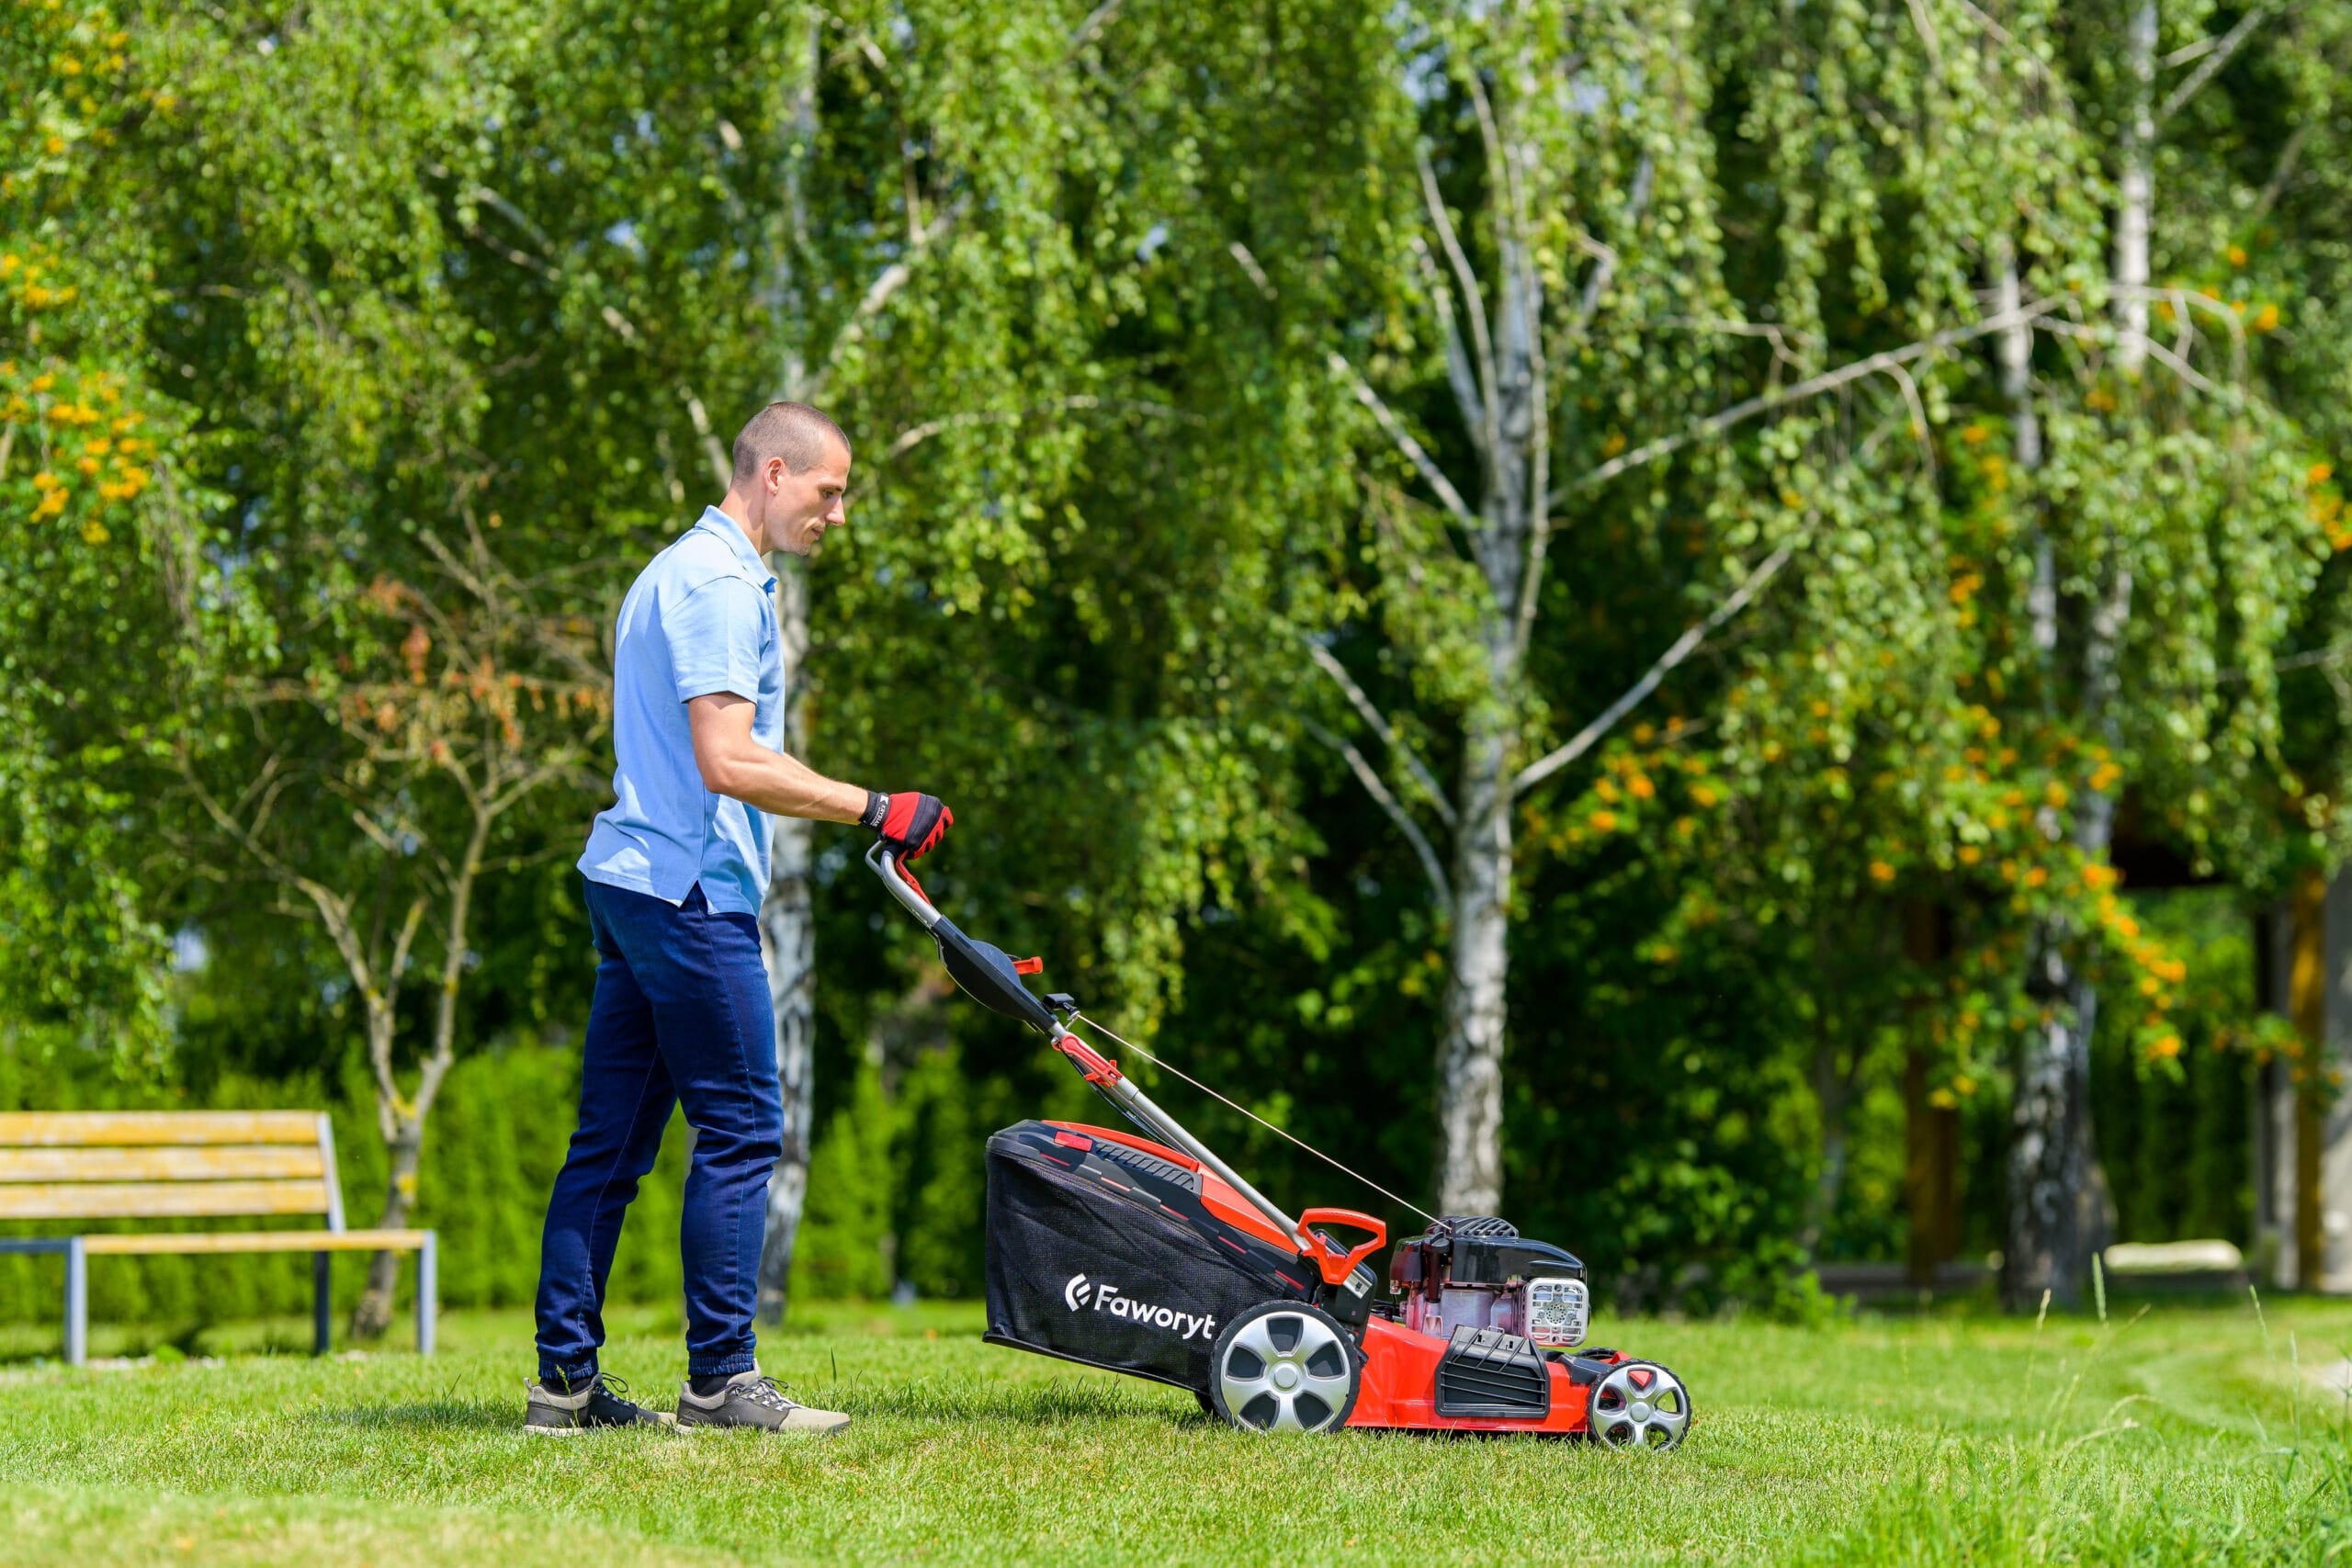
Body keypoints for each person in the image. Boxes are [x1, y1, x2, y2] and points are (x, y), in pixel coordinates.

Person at [525, 401, 951, 1436]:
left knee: (611, 1144)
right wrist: (872, 805)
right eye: (828, 491)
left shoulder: (671, 570)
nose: (837, 514)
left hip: (632, 880)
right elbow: (728, 759)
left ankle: (563, 1390)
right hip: (687, 892)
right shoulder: (719, 586)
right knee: (743, 1124)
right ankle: (721, 1380)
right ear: (772, 471)